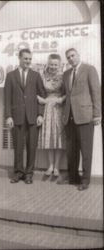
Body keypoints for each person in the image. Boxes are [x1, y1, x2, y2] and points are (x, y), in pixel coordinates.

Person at [4, 48, 46, 184]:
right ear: (19, 58)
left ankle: (29, 174)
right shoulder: (10, 76)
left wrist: (40, 114)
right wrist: (8, 116)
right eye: (25, 58)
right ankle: (18, 173)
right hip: (16, 117)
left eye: (29, 59)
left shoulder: (36, 75)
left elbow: (42, 96)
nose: (28, 61)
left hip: (33, 117)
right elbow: (7, 98)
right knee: (18, 146)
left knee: (31, 146)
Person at [62, 48, 101, 191]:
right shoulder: (66, 74)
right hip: (69, 118)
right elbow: (66, 95)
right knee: (71, 150)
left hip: (85, 116)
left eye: (73, 56)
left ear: (78, 55)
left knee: (86, 150)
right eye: (68, 57)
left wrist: (97, 114)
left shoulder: (89, 69)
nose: (71, 59)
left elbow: (96, 92)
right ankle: (73, 177)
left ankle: (85, 180)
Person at [37, 54, 66, 182]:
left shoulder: (64, 76)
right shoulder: (43, 75)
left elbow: (68, 92)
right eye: (51, 64)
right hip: (47, 108)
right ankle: (50, 166)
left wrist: (61, 99)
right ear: (48, 64)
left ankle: (57, 167)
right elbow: (37, 91)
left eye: (55, 64)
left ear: (59, 65)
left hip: (59, 108)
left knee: (58, 137)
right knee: (49, 137)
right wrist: (40, 99)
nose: (53, 66)